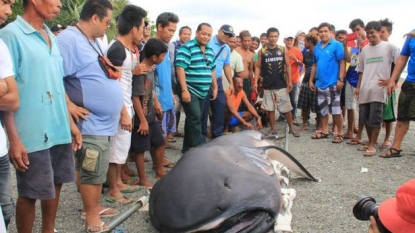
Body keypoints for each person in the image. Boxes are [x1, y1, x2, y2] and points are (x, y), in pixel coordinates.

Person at [0, 0, 82, 232]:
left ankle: (49, 229)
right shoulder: (9, 36)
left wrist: (71, 125)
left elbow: (56, 83)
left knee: (55, 185)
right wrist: (14, 139)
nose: (58, 4)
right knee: (29, 193)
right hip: (31, 131)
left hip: (57, 128)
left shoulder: (51, 36)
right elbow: (7, 94)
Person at [58, 0, 123, 231]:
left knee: (88, 168)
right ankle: (92, 217)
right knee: (93, 170)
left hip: (101, 123)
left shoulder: (92, 40)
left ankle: (90, 208)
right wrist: (68, 106)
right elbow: (54, 77)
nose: (108, 27)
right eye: (106, 21)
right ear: (94, 18)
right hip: (90, 123)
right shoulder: (68, 40)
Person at [105, 4, 147, 204]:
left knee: (122, 147)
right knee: (115, 149)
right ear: (134, 29)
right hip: (118, 107)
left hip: (125, 105)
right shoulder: (116, 50)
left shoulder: (127, 49)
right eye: (142, 27)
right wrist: (123, 112)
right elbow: (114, 84)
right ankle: (113, 190)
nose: (143, 31)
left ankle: (119, 183)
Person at [354, 21, 399, 157]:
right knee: (365, 118)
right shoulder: (365, 50)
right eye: (368, 33)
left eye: (372, 32)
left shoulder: (389, 47)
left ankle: (373, 145)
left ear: (380, 32)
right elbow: (360, 70)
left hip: (379, 89)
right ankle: (369, 142)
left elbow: (399, 64)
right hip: (365, 88)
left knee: (376, 118)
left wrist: (392, 81)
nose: (370, 35)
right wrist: (358, 87)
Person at [131, 38, 168, 187]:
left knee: (159, 142)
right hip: (141, 118)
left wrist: (156, 102)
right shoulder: (141, 72)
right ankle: (142, 179)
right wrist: (143, 120)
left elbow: (150, 89)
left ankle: (159, 170)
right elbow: (135, 96)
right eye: (162, 55)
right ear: (154, 57)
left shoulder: (151, 69)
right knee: (141, 149)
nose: (163, 58)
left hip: (150, 114)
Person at [175, 22, 218, 153]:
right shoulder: (187, 47)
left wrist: (215, 87)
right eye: (203, 34)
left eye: (209, 35)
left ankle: (188, 149)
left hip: (203, 91)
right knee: (195, 118)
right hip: (190, 89)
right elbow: (180, 68)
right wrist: (184, 90)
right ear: (197, 33)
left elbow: (212, 70)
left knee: (193, 119)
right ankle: (199, 149)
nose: (206, 37)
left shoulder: (210, 50)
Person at [253, 27, 300, 137]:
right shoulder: (262, 51)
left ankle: (292, 129)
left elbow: (288, 65)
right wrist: (255, 82)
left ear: (278, 37)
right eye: (271, 36)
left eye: (275, 36)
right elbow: (258, 67)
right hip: (268, 85)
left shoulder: (283, 49)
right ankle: (273, 129)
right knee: (270, 109)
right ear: (267, 37)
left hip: (281, 84)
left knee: (287, 108)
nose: (273, 39)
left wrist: (289, 81)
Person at [0, 0, 19, 229]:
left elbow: (13, 99)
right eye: (4, 2)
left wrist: (6, 87)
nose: (8, 11)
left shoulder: (1, 47)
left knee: (6, 210)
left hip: (0, 152)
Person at [309, 22, 345, 143]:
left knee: (336, 110)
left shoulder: (337, 45)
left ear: (331, 32)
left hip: (333, 83)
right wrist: (311, 80)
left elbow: (342, 63)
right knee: (323, 110)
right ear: (318, 33)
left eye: (326, 31)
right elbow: (314, 65)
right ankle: (324, 130)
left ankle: (339, 133)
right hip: (320, 84)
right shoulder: (317, 48)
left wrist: (341, 79)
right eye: (321, 31)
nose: (323, 33)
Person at [382, 28, 415, 158]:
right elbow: (402, 58)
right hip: (411, 81)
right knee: (403, 115)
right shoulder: (411, 35)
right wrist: (393, 79)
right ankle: (395, 148)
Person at [152, 12, 179, 153]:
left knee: (169, 132)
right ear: (160, 26)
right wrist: (155, 100)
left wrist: (172, 93)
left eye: (174, 31)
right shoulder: (150, 48)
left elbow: (167, 74)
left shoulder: (167, 48)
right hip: (159, 101)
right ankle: (158, 168)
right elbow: (148, 79)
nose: (171, 34)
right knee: (158, 137)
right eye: (170, 30)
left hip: (168, 99)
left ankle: (161, 161)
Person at [201, 24, 233, 139]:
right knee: (204, 109)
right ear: (219, 31)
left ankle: (217, 135)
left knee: (220, 107)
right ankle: (202, 136)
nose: (227, 37)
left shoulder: (227, 48)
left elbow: (227, 66)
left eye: (229, 35)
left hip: (218, 81)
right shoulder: (208, 43)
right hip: (205, 80)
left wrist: (231, 82)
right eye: (225, 33)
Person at [346, 18, 370, 145]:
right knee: (350, 107)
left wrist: (362, 46)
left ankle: (361, 134)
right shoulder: (353, 45)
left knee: (363, 109)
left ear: (363, 28)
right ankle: (351, 129)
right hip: (351, 77)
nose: (357, 33)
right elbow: (351, 61)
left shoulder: (369, 43)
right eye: (353, 31)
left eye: (358, 30)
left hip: (365, 80)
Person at [378, 18, 399, 150]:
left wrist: (392, 81)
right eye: (378, 31)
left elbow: (399, 65)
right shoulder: (374, 48)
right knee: (376, 113)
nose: (380, 34)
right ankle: (373, 138)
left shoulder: (393, 48)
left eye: (382, 31)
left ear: (389, 32)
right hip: (376, 86)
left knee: (389, 115)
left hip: (388, 86)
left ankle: (387, 138)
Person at [170, 26, 192, 138]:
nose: (187, 36)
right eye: (185, 34)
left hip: (186, 82)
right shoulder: (174, 46)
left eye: (189, 34)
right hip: (175, 81)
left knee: (179, 109)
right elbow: (172, 64)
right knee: (174, 107)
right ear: (179, 35)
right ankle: (169, 134)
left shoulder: (190, 48)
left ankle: (175, 130)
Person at [297, 33, 318, 131]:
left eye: (305, 41)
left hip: (316, 82)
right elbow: (304, 65)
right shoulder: (306, 54)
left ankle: (319, 124)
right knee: (304, 104)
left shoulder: (318, 52)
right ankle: (305, 124)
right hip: (305, 81)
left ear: (309, 42)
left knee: (317, 105)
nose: (304, 43)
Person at [284, 34, 304, 123]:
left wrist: (295, 59)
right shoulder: (281, 50)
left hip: (294, 79)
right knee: (283, 99)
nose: (289, 42)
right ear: (284, 41)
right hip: (282, 79)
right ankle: (282, 116)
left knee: (293, 99)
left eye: (291, 40)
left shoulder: (297, 51)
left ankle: (293, 116)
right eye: (287, 40)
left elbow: (302, 64)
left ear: (293, 41)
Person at [235, 30, 254, 107]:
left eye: (248, 40)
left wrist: (251, 84)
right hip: (237, 80)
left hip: (246, 81)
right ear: (241, 41)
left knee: (246, 102)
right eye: (245, 41)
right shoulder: (236, 51)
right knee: (237, 102)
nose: (247, 43)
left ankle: (245, 117)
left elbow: (250, 70)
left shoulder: (251, 54)